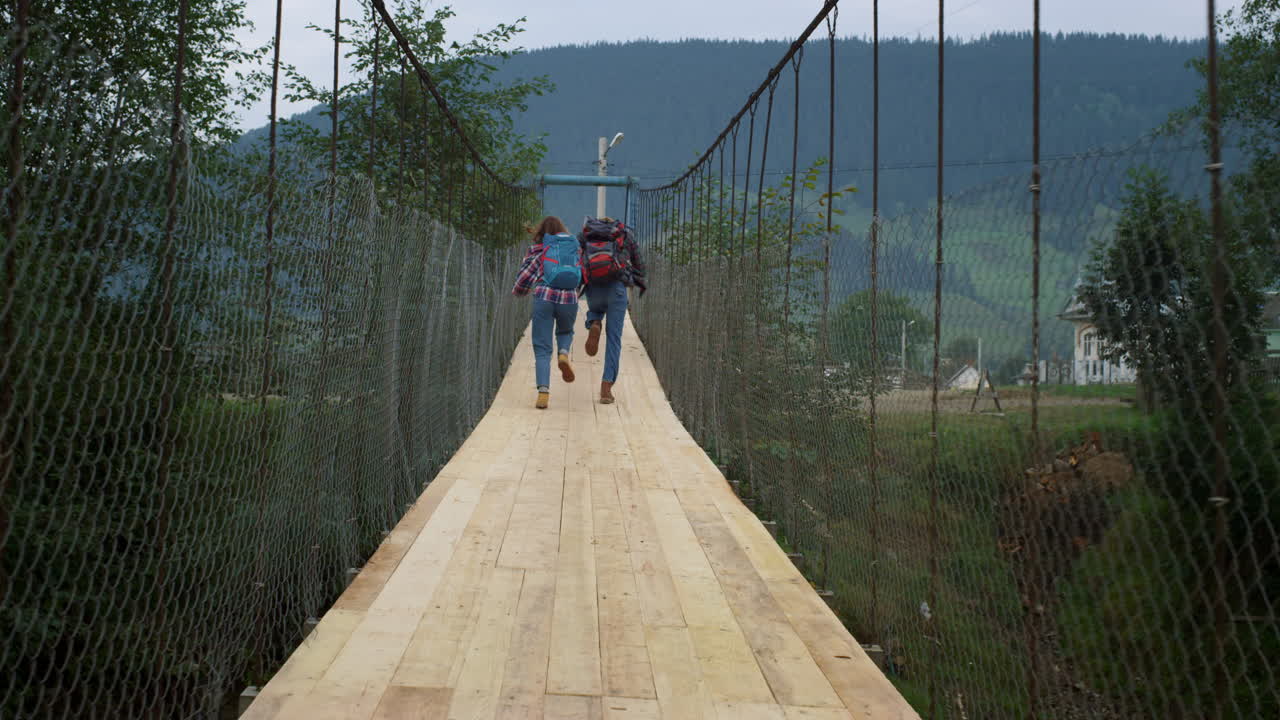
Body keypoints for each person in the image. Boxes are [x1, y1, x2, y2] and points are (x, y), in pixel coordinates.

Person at [512, 216, 582, 409]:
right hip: (569, 298)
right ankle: (564, 352)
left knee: (542, 347)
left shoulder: (538, 249)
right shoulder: (573, 248)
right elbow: (580, 272)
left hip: (544, 297)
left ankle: (543, 391)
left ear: (541, 232)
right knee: (566, 332)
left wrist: (519, 292)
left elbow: (524, 278)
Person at [580, 216, 646, 404]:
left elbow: (576, 258)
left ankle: (594, 321)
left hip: (593, 288)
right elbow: (639, 262)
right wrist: (637, 280)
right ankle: (606, 388)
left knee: (595, 311)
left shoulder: (586, 234)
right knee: (614, 338)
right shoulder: (625, 234)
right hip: (616, 288)